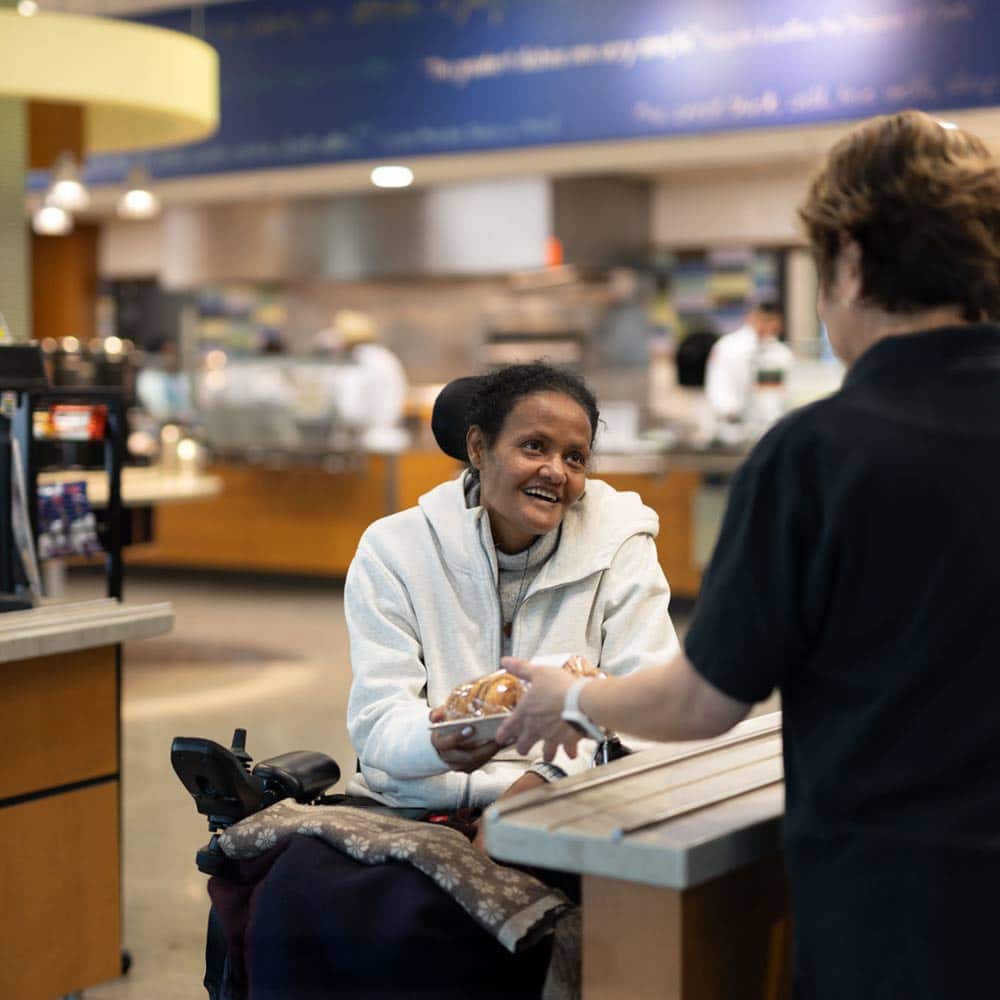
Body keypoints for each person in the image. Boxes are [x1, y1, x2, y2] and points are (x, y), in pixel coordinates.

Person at [496, 110, 1000, 999]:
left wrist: (570, 696)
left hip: (902, 911)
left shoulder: (822, 454)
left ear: (848, 258)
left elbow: (700, 701)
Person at [346, 361, 680, 822]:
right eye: (534, 446)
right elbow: (378, 720)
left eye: (574, 457)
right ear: (479, 448)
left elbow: (648, 702)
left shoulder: (618, 543)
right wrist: (436, 742)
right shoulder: (395, 551)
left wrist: (538, 786)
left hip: (565, 803)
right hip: (418, 803)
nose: (555, 471)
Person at [704, 300, 793, 444]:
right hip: (730, 431)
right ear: (752, 318)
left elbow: (776, 395)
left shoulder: (780, 354)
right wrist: (732, 412)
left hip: (768, 433)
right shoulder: (727, 347)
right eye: (765, 320)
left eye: (774, 321)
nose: (771, 326)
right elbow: (718, 388)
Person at [324, 308, 410, 452]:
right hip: (387, 437)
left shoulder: (358, 360)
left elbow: (350, 410)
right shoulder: (383, 356)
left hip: (367, 443)